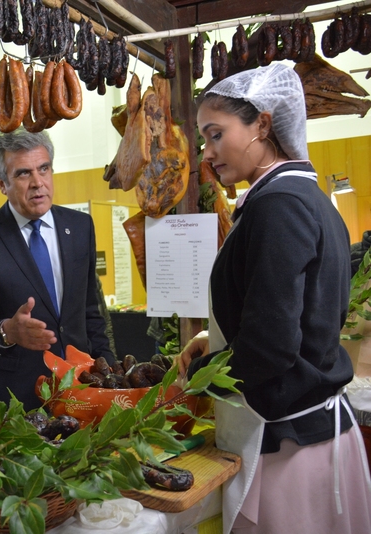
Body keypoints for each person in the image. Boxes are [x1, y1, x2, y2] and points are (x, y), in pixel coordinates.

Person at [178, 63, 371, 534]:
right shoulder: (307, 194)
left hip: (289, 447)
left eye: (216, 134)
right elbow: (289, 309)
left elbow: (271, 345)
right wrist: (215, 339)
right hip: (309, 436)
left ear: (262, 125)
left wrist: (194, 383)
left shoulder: (277, 205)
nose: (207, 153)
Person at [0, 128, 115, 418]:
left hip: (79, 391)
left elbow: (91, 313)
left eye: (44, 169)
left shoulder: (80, 227)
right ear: (2, 184)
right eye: (23, 174)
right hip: (13, 399)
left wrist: (111, 377)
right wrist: (8, 331)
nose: (38, 183)